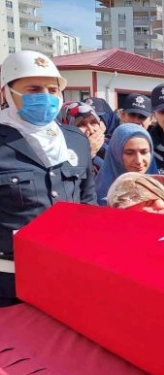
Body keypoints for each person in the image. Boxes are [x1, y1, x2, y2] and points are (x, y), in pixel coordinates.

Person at [0, 51, 96, 306]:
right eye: (33, 89)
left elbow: (89, 204)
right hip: (9, 285)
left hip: (69, 276)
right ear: (6, 93)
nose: (46, 96)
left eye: (52, 89)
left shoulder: (75, 140)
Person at [96, 123, 158, 205]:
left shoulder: (163, 194)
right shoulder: (94, 198)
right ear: (116, 154)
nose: (139, 161)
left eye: (144, 152)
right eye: (129, 153)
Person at [61, 101, 108, 173]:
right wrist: (87, 153)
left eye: (93, 122)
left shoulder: (112, 147)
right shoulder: (62, 155)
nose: (91, 130)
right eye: (81, 125)